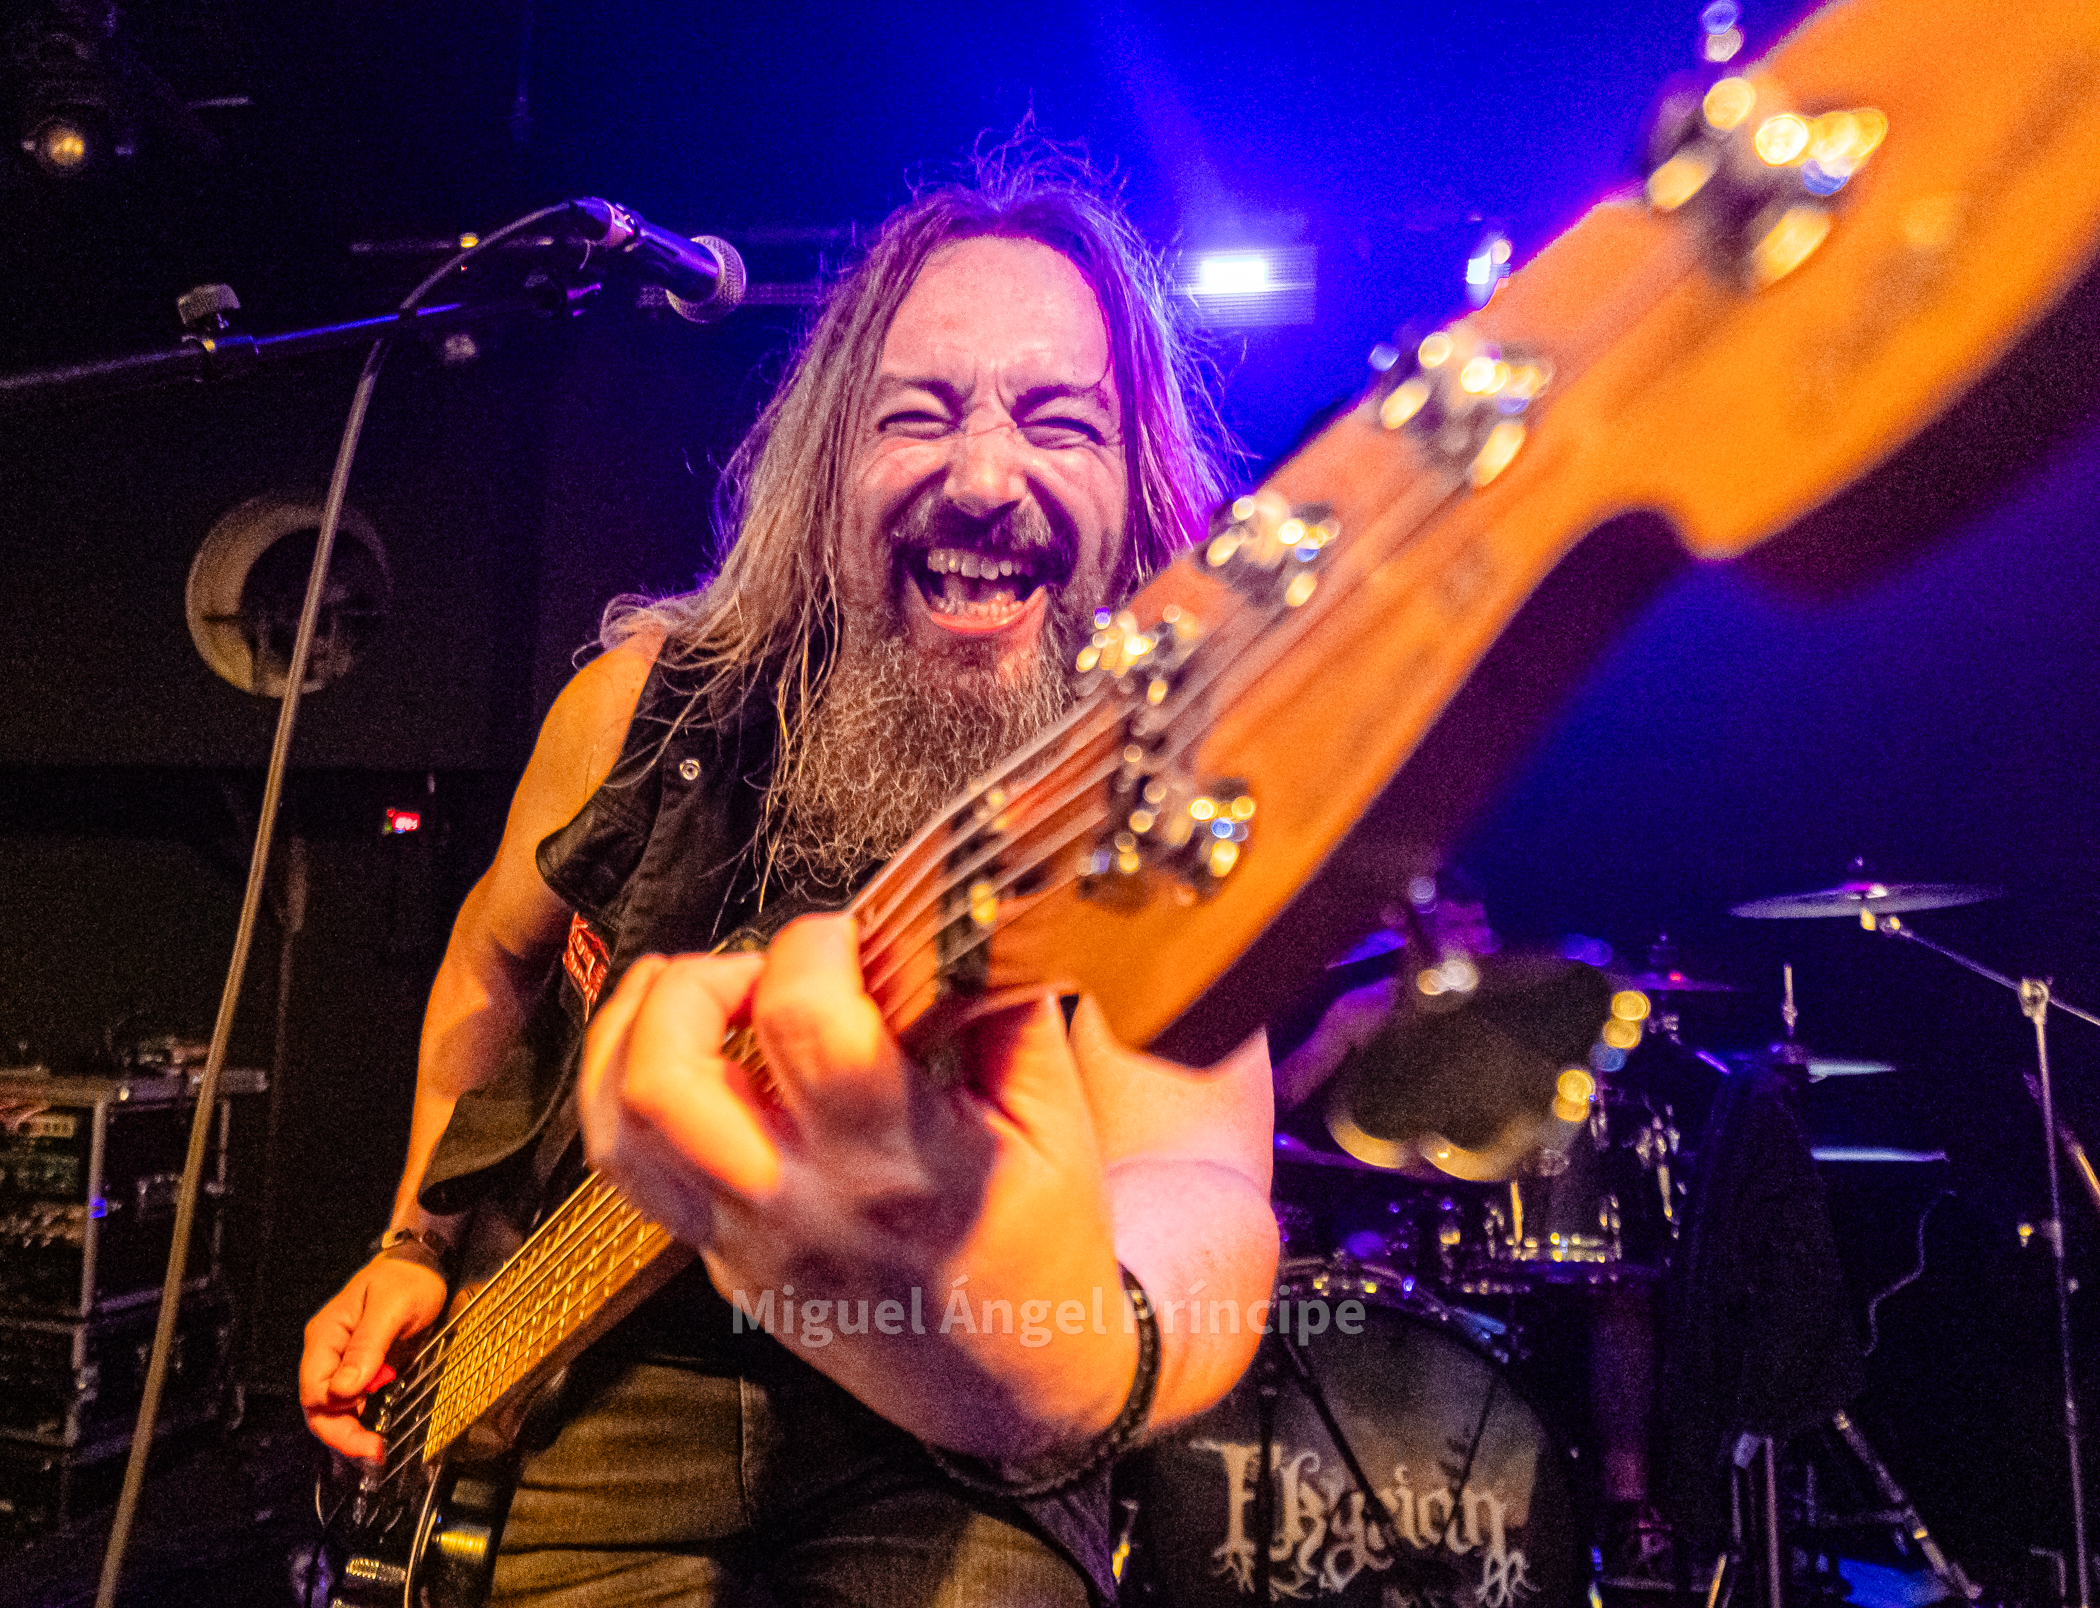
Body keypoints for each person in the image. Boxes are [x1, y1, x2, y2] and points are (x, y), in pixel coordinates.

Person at [299, 145, 1280, 1607]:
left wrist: (1084, 1347)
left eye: (1060, 422)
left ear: (1137, 486)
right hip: (579, 1399)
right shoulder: (638, 709)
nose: (983, 477)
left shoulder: (1155, 794)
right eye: (918, 415)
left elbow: (1196, 1177)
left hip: (959, 1437)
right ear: (828, 468)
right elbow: (491, 962)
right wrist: (411, 1239)